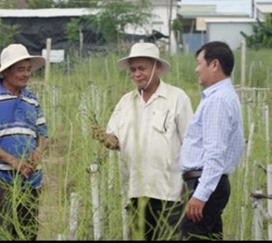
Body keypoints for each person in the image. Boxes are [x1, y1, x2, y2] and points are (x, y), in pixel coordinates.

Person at [92, 42, 193, 240]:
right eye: (133, 70)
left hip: (169, 191)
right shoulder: (126, 102)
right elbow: (115, 141)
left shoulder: (176, 98)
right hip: (136, 190)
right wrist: (105, 138)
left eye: (142, 69)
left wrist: (188, 187)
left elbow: (190, 141)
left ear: (158, 68)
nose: (137, 74)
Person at [0, 43, 48, 241]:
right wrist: (13, 161)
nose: (26, 74)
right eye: (20, 69)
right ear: (6, 71)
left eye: (28, 69)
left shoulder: (32, 100)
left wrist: (38, 151)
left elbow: (43, 134)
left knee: (27, 233)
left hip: (29, 179)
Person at [179, 41, 245, 240]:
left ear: (214, 64)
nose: (196, 69)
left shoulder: (217, 101)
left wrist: (200, 194)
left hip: (205, 182)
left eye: (200, 63)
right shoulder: (222, 97)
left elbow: (215, 152)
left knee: (193, 236)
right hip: (210, 182)